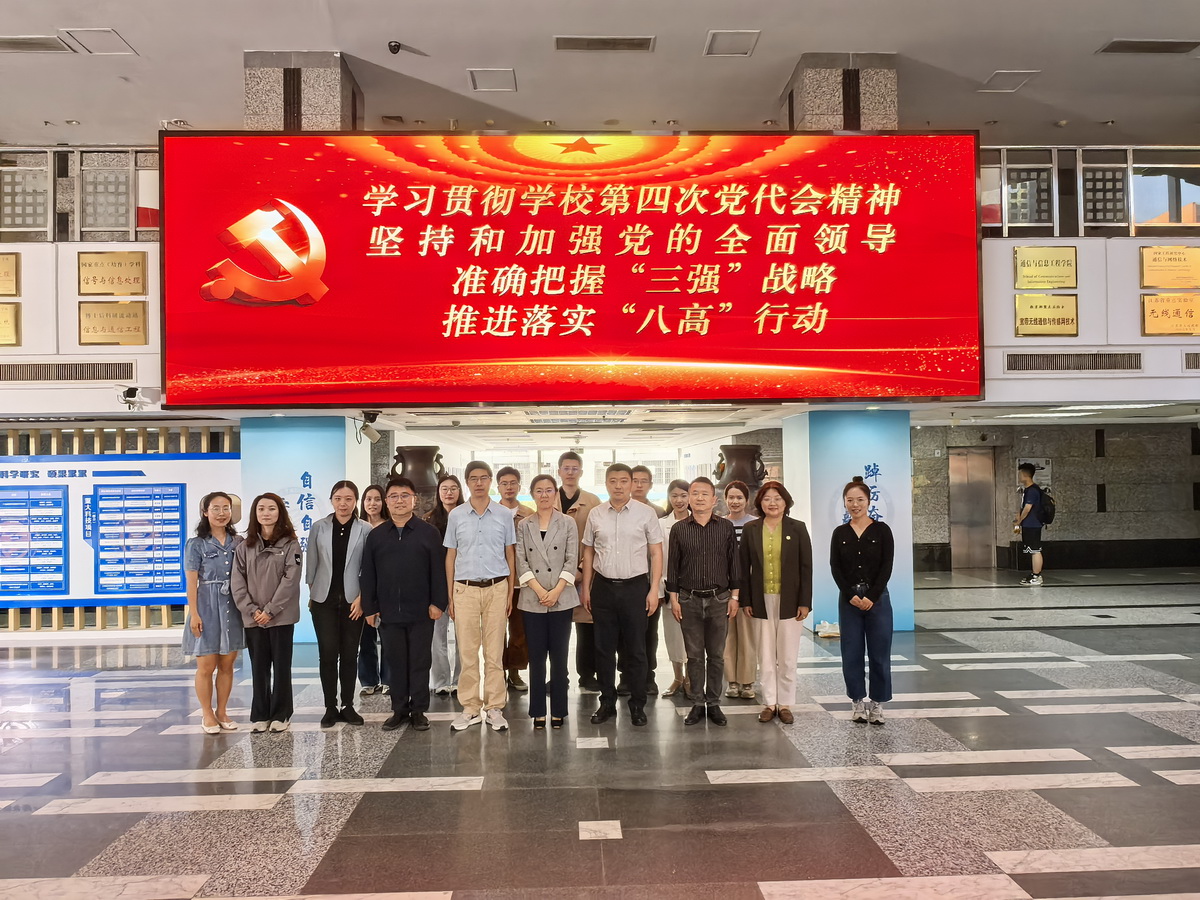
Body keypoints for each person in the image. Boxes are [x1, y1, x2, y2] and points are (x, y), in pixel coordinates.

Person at [361, 477, 449, 732]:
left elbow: (438, 572)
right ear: (387, 502)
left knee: (420, 661)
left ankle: (419, 710)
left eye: (404, 496)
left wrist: (438, 603)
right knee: (395, 662)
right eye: (394, 496)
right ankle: (399, 709)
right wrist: (370, 608)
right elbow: (368, 574)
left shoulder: (429, 533)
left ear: (414, 500)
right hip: (388, 612)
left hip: (422, 611)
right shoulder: (376, 536)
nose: (399, 501)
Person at [581, 463, 662, 726]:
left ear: (631, 483)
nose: (618, 486)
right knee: (603, 649)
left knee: (636, 650)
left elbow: (656, 552)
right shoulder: (596, 513)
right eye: (613, 481)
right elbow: (589, 551)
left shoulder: (646, 513)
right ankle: (607, 702)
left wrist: (653, 589)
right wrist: (586, 588)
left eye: (624, 481)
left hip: (635, 588)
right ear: (606, 483)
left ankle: (637, 704)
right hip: (603, 588)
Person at [445, 461, 516, 732]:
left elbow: (510, 553)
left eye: (483, 478)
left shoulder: (504, 514)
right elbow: (451, 555)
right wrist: (450, 595)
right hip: (465, 590)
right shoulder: (456, 515)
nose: (478, 483)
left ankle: (495, 706)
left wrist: (510, 592)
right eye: (473, 478)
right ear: (467, 482)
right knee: (467, 651)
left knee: (494, 652)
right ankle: (470, 708)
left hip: (497, 588)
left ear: (490, 481)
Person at [667, 477, 740, 727]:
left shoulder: (725, 527)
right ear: (689, 498)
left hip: (719, 598)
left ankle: (714, 703)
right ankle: (697, 703)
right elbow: (673, 566)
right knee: (695, 655)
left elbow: (734, 564)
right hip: (689, 599)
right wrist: (674, 599)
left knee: (717, 655)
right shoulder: (679, 529)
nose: (699, 498)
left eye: (704, 494)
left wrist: (735, 597)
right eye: (694, 493)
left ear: (714, 500)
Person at [739, 481, 812, 725]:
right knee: (766, 655)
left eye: (777, 498)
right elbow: (744, 567)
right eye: (767, 498)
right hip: (760, 599)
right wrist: (746, 600)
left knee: (788, 656)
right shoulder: (751, 529)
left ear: (785, 502)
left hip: (790, 599)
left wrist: (805, 602)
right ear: (760, 502)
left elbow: (806, 567)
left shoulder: (797, 528)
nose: (772, 503)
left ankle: (786, 703)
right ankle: (770, 703)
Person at [232, 492, 301, 733]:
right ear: (255, 514)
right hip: (254, 619)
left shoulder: (291, 544)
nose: (266, 513)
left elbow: (291, 580)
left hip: (281, 617)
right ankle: (260, 714)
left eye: (271, 508)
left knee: (281, 667)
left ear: (280, 512)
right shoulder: (244, 546)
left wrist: (270, 610)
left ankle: (282, 714)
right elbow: (237, 582)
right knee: (259, 668)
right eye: (261, 509)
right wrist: (252, 611)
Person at [306, 480, 373, 729]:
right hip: (323, 600)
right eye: (338, 498)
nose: (343, 504)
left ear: (356, 501)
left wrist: (362, 598)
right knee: (327, 653)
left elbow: (369, 567)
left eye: (348, 499)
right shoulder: (319, 527)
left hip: (354, 601)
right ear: (331, 500)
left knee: (349, 653)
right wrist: (313, 594)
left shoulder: (365, 529)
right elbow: (311, 564)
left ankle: (347, 705)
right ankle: (330, 707)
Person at [515, 474, 580, 729]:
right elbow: (521, 560)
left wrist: (555, 591)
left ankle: (559, 710)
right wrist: (540, 590)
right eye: (539, 490)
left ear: (555, 493)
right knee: (536, 657)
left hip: (561, 598)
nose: (544, 495)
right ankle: (538, 711)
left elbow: (571, 559)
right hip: (533, 598)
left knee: (560, 657)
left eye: (549, 490)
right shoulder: (524, 525)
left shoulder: (568, 523)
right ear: (532, 494)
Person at [831, 476, 895, 725]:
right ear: (844, 503)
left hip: (877, 600)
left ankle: (877, 703)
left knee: (880, 653)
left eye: (860, 500)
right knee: (851, 652)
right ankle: (857, 701)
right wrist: (851, 596)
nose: (855, 504)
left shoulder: (882, 530)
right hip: (849, 601)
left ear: (869, 501)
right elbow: (835, 567)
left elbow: (886, 566)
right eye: (850, 500)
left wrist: (871, 596)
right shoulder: (840, 533)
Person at [183, 491, 244, 734]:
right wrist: (194, 614)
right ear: (205, 512)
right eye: (215, 508)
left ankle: (222, 711)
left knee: (227, 665)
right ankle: (207, 714)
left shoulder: (238, 542)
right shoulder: (196, 544)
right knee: (206, 666)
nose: (221, 513)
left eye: (226, 508)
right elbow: (191, 582)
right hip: (206, 606)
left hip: (232, 606)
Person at [553, 451, 603, 694]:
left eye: (575, 468)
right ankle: (557, 677)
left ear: (581, 472)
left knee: (587, 628)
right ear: (559, 471)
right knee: (557, 631)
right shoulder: (547, 498)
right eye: (566, 468)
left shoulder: (593, 502)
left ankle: (587, 675)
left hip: (584, 574)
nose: (570, 472)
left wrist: (582, 568)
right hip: (552, 577)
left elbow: (598, 540)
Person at [425, 474, 464, 695]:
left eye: (453, 488)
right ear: (438, 493)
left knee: (463, 637)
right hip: (437, 585)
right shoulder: (428, 520)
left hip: (463, 583)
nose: (449, 492)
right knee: (437, 636)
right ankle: (440, 681)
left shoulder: (468, 516)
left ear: (460, 491)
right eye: (444, 489)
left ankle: (460, 680)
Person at [496, 466, 534, 692]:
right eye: (504, 483)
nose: (509, 487)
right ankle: (498, 671)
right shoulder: (490, 512)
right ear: (498, 487)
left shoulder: (529, 514)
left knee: (519, 631)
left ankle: (515, 672)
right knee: (497, 630)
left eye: (513, 483)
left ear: (519, 486)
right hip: (497, 580)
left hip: (522, 581)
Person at [723, 480, 760, 701]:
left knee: (747, 636)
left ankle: (747, 682)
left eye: (739, 497)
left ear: (747, 500)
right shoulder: (720, 523)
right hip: (724, 588)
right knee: (728, 636)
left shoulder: (755, 524)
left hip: (748, 587)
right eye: (731, 497)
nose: (735, 501)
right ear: (725, 500)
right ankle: (732, 681)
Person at [658, 478, 691, 698]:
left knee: (692, 637)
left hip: (695, 589)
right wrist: (660, 589)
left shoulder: (698, 521)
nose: (679, 500)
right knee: (673, 635)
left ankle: (691, 679)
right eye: (674, 496)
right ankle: (678, 677)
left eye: (683, 495)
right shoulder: (662, 524)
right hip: (670, 587)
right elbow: (658, 559)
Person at [357, 484, 390, 696]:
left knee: (388, 636)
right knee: (365, 637)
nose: (372, 503)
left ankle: (388, 679)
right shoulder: (357, 527)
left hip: (385, 588)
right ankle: (369, 680)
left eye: (377, 499)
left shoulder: (390, 526)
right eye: (368, 499)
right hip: (362, 589)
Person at [1014, 463, 1045, 586]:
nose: (1018, 476)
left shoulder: (1032, 490)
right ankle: (1034, 574)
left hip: (1033, 524)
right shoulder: (1028, 490)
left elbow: (1027, 508)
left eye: (1020, 474)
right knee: (1032, 550)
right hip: (1029, 524)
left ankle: (1037, 575)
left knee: (1035, 550)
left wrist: (1019, 521)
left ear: (1025, 475)